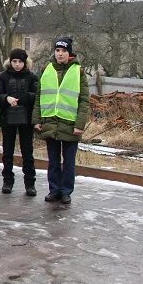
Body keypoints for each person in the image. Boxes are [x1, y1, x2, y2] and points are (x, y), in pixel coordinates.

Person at [33, 38, 90, 204]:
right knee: (53, 160)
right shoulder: (46, 68)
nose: (60, 54)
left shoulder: (78, 71)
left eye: (63, 51)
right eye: (57, 50)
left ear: (69, 53)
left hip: (70, 123)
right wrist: (37, 120)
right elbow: (39, 96)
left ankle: (66, 191)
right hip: (50, 121)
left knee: (69, 162)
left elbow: (84, 100)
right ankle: (54, 190)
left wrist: (80, 124)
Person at [0, 48, 39, 196]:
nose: (17, 64)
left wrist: (27, 97)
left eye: (20, 61)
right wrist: (6, 98)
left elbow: (38, 95)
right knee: (7, 152)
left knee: (27, 152)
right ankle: (7, 181)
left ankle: (30, 183)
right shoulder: (2, 77)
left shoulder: (32, 77)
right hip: (8, 118)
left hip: (26, 119)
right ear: (10, 62)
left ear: (25, 62)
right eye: (14, 61)